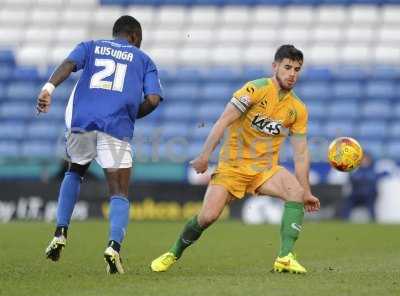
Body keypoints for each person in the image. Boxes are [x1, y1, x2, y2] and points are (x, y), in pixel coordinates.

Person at [151, 45, 320, 274]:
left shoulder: (298, 108)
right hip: (232, 167)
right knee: (207, 217)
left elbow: (301, 153)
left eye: (297, 69)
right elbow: (222, 121)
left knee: (296, 193)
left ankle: (285, 257)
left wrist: (307, 190)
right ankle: (173, 252)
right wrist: (204, 157)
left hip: (264, 170)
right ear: (275, 67)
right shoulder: (254, 89)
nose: (292, 74)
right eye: (287, 67)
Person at [38, 15, 163, 274]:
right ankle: (113, 248)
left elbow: (69, 63)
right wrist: (129, 114)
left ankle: (60, 232)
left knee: (75, 170)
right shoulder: (144, 59)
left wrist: (48, 89)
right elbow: (152, 99)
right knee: (119, 190)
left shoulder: (91, 46)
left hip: (82, 122)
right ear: (135, 37)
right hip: (115, 127)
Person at [341, 153, 379, 221]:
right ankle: (344, 220)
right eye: (363, 160)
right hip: (356, 195)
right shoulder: (356, 170)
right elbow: (352, 179)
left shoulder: (373, 170)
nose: (364, 161)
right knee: (347, 202)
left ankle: (373, 220)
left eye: (366, 160)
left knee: (371, 203)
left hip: (369, 195)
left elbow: (373, 180)